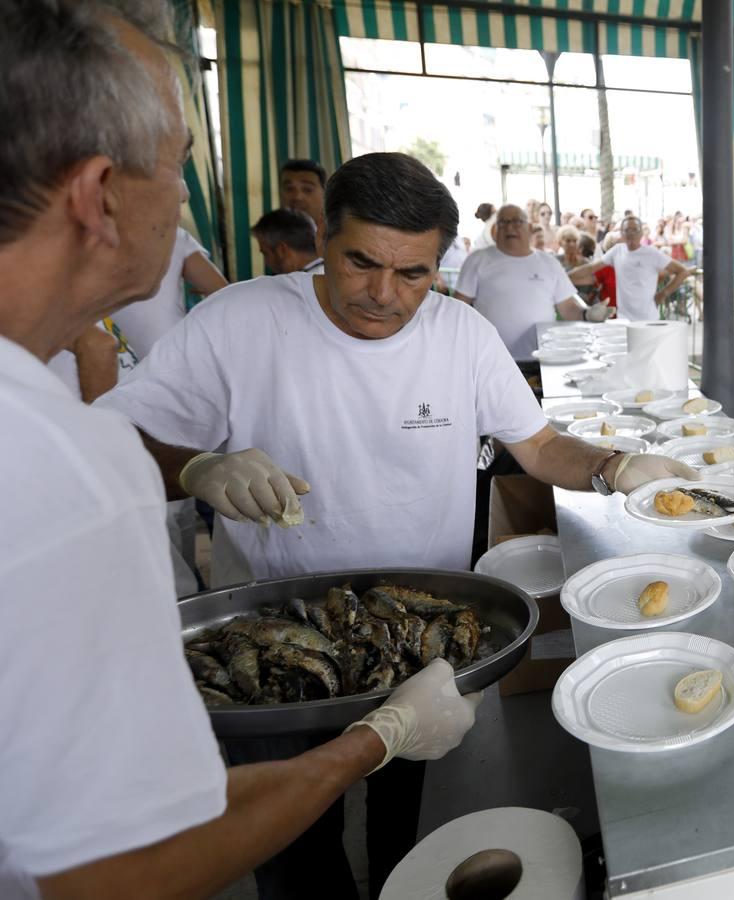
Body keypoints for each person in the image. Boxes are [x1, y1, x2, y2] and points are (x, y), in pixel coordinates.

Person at [96, 152, 692, 897]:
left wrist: (612, 466)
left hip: (422, 628)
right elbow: (108, 442)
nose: (383, 295)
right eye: (360, 263)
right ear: (324, 236)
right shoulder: (241, 320)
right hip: (278, 630)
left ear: (441, 262)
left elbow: (536, 446)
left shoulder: (461, 336)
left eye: (413, 273)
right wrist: (196, 469)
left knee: (401, 814)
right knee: (289, 842)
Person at [0, 5, 486, 899]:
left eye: (411, 272)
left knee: (394, 834)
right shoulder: (62, 478)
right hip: (277, 630)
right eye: (180, 162)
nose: (186, 198)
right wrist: (375, 739)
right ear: (99, 191)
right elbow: (122, 867)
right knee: (297, 869)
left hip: (400, 638)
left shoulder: (44, 435)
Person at [456, 205, 608, 364]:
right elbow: (459, 309)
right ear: (495, 230)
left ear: (529, 228)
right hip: (491, 361)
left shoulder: (549, 263)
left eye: (516, 222)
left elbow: (568, 308)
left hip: (541, 360)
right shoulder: (477, 260)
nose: (510, 227)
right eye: (503, 223)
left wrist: (588, 314)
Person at [110, 223, 227, 358]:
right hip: (170, 355)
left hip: (115, 361)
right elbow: (222, 292)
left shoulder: (92, 237)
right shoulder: (175, 236)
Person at [567, 216, 688, 322]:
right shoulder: (617, 251)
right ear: (622, 233)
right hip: (623, 320)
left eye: (635, 230)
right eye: (627, 230)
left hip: (648, 319)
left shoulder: (652, 253)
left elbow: (682, 271)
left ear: (641, 233)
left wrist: (663, 293)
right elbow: (590, 268)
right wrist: (565, 276)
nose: (631, 233)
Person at [251, 207, 322, 275]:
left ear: (281, 250)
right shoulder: (328, 274)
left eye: (265, 253)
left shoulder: (298, 285)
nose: (266, 263)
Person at [279, 158, 327, 254]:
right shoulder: (273, 241)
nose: (297, 197)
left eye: (307, 189)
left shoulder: (338, 238)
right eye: (289, 189)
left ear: (325, 193)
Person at [557, 225, 600, 306]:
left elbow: (594, 285)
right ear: (560, 243)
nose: (572, 244)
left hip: (586, 305)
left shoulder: (586, 263)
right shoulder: (555, 261)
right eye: (568, 241)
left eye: (575, 241)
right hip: (563, 306)